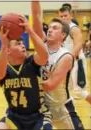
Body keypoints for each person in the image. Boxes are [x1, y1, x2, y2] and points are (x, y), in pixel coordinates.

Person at [31, 1, 84, 129]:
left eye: (55, 28)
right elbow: (37, 18)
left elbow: (50, 85)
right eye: (49, 27)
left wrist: (27, 82)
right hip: (43, 107)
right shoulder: (42, 46)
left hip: (61, 108)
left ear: (63, 35)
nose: (50, 30)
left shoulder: (65, 56)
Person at [0, 15, 52, 130]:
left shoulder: (31, 62)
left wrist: (30, 30)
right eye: (18, 44)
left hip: (38, 116)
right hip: (14, 116)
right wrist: (4, 44)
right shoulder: (5, 67)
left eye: (23, 43)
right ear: (8, 50)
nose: (23, 45)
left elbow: (44, 56)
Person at [58, 6, 91, 104]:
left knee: (80, 92)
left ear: (70, 15)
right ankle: (69, 113)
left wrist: (69, 60)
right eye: (61, 16)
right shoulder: (62, 29)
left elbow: (79, 45)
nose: (63, 18)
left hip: (77, 62)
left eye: (65, 15)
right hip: (67, 63)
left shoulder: (73, 28)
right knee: (63, 89)